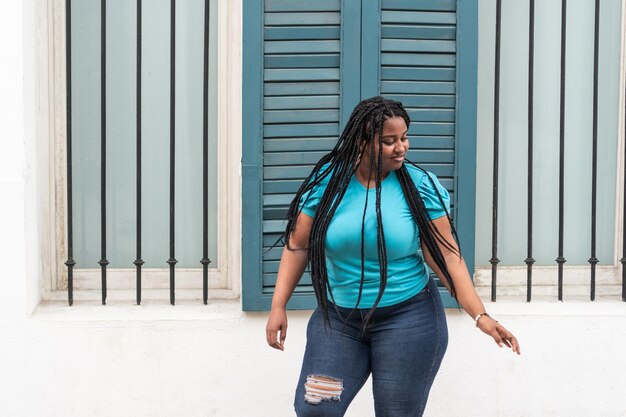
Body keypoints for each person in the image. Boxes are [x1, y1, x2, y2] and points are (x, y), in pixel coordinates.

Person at [265, 96, 520, 417]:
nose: (401, 147)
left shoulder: (419, 187)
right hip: (340, 321)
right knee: (316, 410)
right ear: (362, 141)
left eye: (404, 138)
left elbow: (447, 257)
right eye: (389, 141)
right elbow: (298, 245)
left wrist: (480, 316)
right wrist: (278, 306)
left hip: (409, 320)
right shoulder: (327, 185)